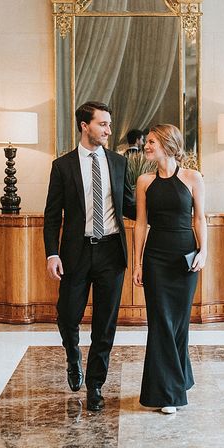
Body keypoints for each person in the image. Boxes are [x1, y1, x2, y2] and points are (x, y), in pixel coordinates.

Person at [44, 100, 137, 412]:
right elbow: (52, 216)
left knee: (105, 324)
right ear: (84, 126)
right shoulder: (63, 166)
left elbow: (131, 206)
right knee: (67, 315)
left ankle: (95, 385)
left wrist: (171, 196)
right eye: (102, 124)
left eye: (109, 124)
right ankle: (73, 356)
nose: (109, 130)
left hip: (112, 251)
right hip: (76, 252)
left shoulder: (119, 163)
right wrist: (52, 254)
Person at [132, 124, 207, 414]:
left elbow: (199, 219)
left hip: (184, 260)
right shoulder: (144, 181)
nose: (146, 146)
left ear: (167, 144)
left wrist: (204, 251)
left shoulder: (192, 177)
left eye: (151, 142)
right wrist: (138, 263)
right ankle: (169, 393)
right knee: (160, 322)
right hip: (156, 259)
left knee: (178, 323)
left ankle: (179, 378)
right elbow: (141, 224)